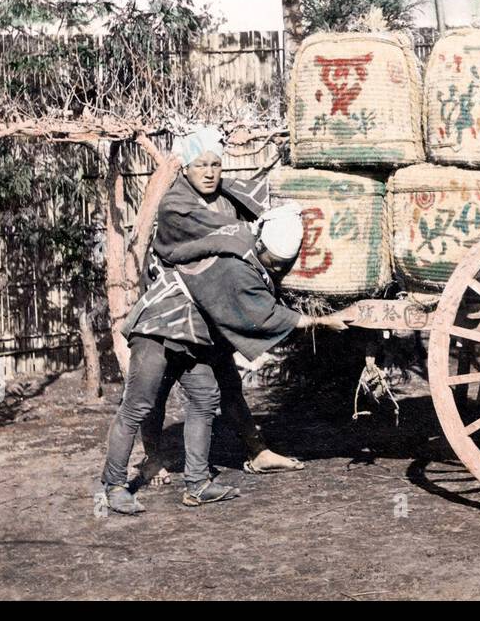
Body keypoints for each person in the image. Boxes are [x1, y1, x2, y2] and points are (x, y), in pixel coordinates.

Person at [99, 128, 346, 515]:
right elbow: (231, 244)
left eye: (216, 164)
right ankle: (113, 486)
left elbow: (257, 202)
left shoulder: (226, 195)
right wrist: (312, 322)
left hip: (197, 324)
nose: (211, 173)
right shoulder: (177, 207)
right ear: (186, 168)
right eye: (202, 165)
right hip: (163, 321)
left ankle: (197, 483)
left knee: (204, 398)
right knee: (139, 404)